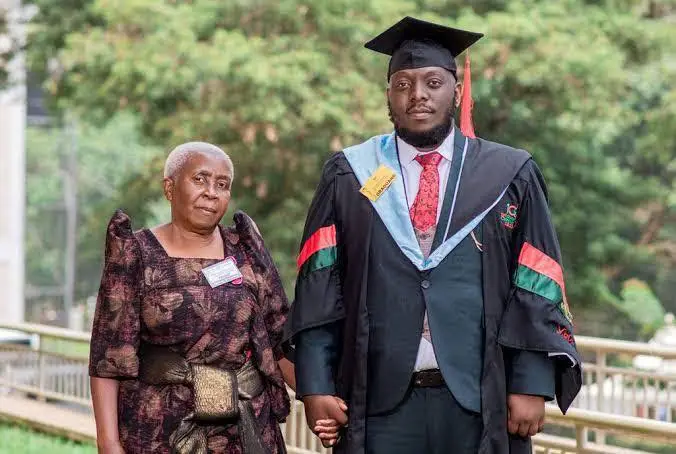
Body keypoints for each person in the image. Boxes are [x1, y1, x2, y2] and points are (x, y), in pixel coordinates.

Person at [287, 16, 582, 454]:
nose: (418, 95)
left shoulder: (508, 173)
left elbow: (536, 281)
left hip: (483, 400)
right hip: (376, 404)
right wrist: (315, 384)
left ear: (456, 91)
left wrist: (531, 381)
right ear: (388, 95)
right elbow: (319, 284)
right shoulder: (349, 174)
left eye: (433, 82)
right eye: (402, 84)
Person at [88, 142, 294, 454]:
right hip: (159, 432)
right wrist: (109, 442)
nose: (211, 192)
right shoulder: (135, 253)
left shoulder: (245, 248)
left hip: (244, 430)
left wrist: (319, 396)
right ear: (169, 188)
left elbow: (279, 335)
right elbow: (109, 355)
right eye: (200, 179)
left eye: (222, 184)